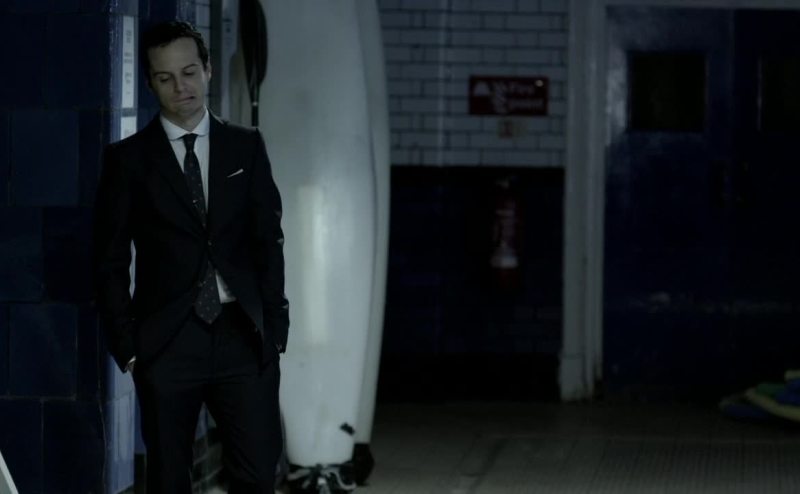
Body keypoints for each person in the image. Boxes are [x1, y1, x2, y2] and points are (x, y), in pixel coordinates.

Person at [93, 20, 288, 493]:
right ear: (150, 83)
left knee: (258, 476)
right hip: (166, 341)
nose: (181, 87)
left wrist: (275, 327)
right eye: (166, 78)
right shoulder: (128, 160)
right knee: (168, 480)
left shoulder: (246, 145)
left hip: (243, 336)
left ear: (208, 70)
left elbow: (268, 241)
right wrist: (129, 347)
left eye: (189, 73)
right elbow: (109, 259)